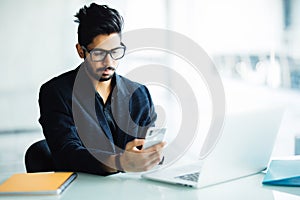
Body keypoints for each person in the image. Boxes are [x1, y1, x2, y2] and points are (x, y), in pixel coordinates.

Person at [38, 3, 165, 175]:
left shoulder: (138, 93)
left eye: (115, 52)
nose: (109, 62)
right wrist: (120, 162)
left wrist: (153, 155)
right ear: (81, 51)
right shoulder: (55, 93)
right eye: (98, 54)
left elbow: (149, 146)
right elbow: (67, 153)